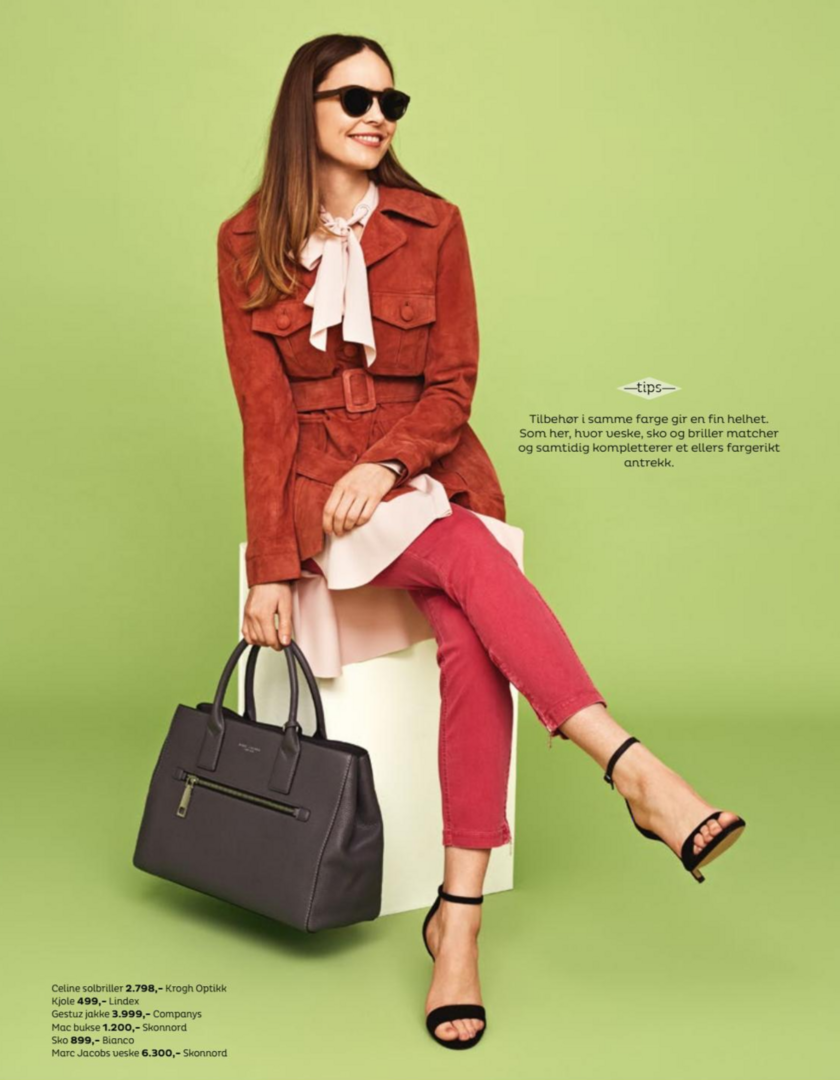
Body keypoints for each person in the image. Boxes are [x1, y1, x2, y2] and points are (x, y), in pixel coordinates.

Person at [216, 33, 746, 1052]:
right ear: (304, 111)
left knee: (468, 632)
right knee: (471, 561)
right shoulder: (244, 242)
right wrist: (270, 566)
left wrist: (390, 464)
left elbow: (453, 384)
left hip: (420, 473)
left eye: (392, 100)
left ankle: (456, 925)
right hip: (321, 494)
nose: (378, 115)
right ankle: (632, 770)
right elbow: (263, 417)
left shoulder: (434, 223)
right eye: (355, 98)